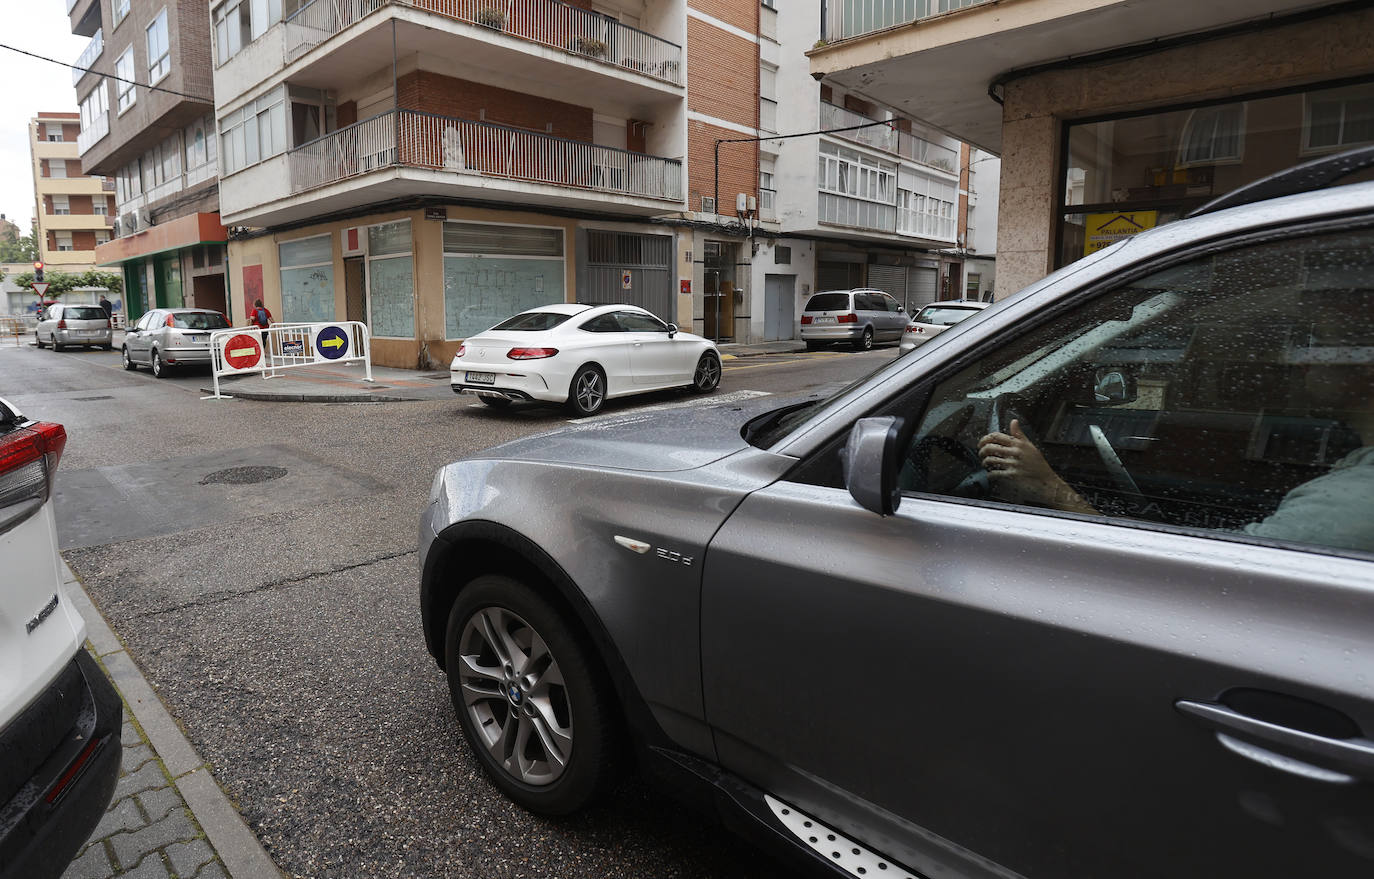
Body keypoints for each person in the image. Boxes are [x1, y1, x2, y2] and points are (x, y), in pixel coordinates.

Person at [977, 374, 1374, 553]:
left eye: (1318, 341)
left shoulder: (1352, 502)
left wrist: (1049, 487)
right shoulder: (1356, 471)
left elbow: (1199, 578)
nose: (1300, 361)